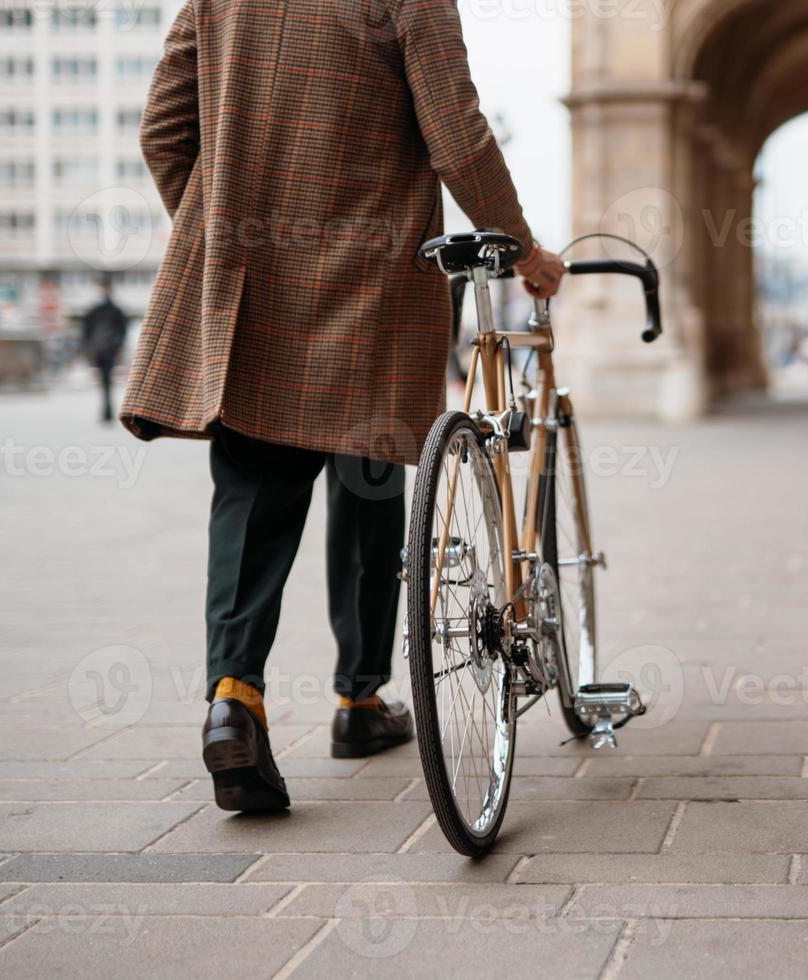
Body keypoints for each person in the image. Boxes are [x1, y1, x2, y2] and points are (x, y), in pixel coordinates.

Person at [119, 0, 565, 813]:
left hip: (254, 282)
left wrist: (224, 230)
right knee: (370, 483)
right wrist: (525, 248)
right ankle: (360, 701)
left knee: (255, 486)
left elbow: (164, 130)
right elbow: (457, 136)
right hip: (373, 276)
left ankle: (234, 699)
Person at [80, 279, 129, 422]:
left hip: (104, 349)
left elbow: (86, 331)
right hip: (104, 349)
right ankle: (107, 409)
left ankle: (107, 409)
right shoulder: (106, 310)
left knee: (106, 378)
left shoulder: (103, 310)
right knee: (106, 379)